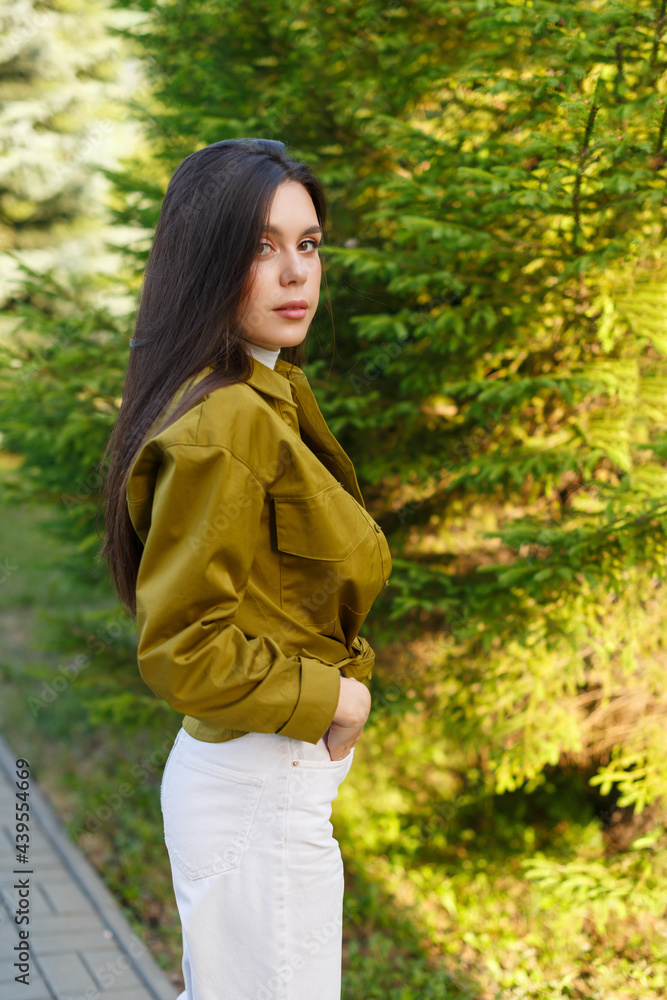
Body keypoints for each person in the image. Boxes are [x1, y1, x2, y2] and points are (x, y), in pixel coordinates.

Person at [100, 137, 392, 1000]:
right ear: (206, 260)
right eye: (261, 247)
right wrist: (337, 698)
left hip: (264, 786)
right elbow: (183, 648)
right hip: (258, 791)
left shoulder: (264, 390)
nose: (295, 272)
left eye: (308, 244)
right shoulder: (226, 418)